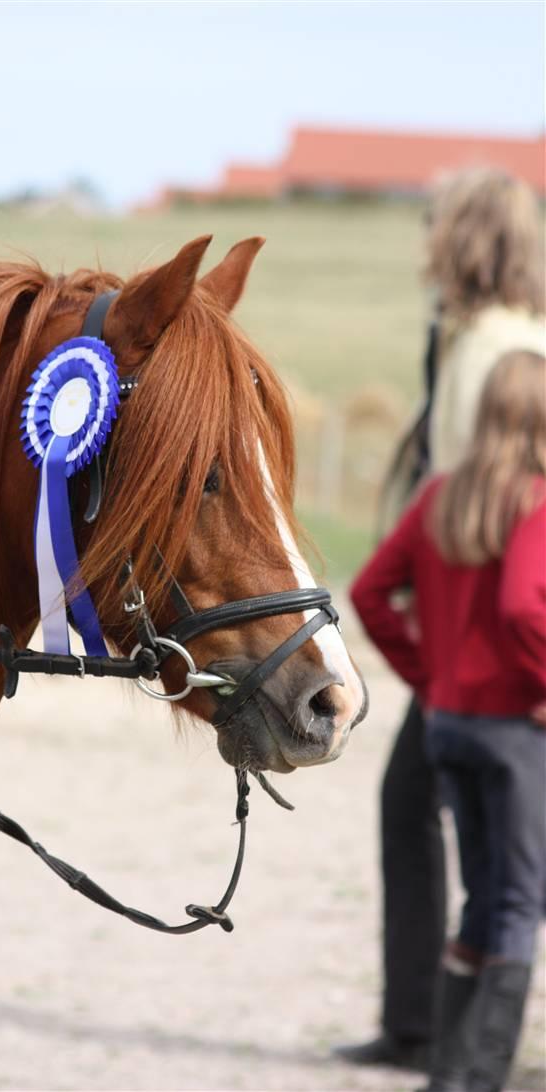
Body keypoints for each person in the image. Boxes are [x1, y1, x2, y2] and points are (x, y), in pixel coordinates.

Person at [337, 167, 545, 1071]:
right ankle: (437, 1034)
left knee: (467, 848)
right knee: (483, 853)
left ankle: (437, 1037)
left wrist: (441, 665)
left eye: (438, 221)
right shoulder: (481, 338)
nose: (426, 233)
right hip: (480, 653)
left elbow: (474, 512)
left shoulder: (495, 349)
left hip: (480, 655)